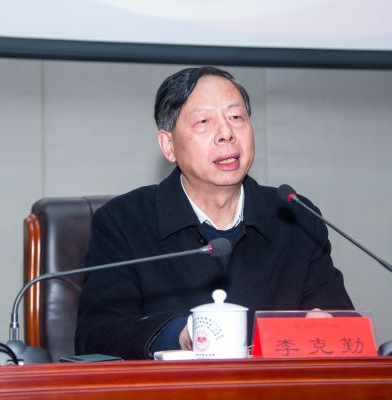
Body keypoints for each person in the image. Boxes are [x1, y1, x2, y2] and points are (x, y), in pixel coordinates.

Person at [75, 66, 353, 359]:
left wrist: (327, 325)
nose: (226, 134)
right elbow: (95, 336)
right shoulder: (123, 222)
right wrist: (180, 334)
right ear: (169, 145)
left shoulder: (295, 217)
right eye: (204, 121)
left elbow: (345, 331)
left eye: (236, 118)